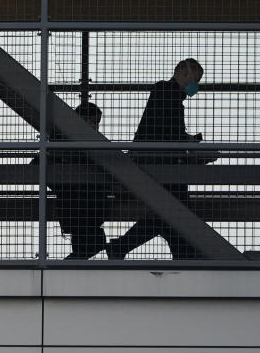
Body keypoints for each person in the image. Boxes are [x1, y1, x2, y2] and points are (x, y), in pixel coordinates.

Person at [106, 58, 208, 260]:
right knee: (175, 213)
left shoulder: (165, 94)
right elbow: (169, 134)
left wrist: (185, 141)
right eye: (193, 79)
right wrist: (188, 144)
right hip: (162, 167)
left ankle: (182, 255)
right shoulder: (167, 93)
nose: (194, 84)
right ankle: (185, 256)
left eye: (197, 80)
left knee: (168, 216)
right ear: (179, 73)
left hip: (158, 163)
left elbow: (163, 131)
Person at [49, 102, 110, 259]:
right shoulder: (66, 141)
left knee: (88, 246)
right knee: (93, 243)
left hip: (78, 205)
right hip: (82, 205)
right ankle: (61, 271)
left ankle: (62, 271)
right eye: (94, 122)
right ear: (84, 120)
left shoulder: (61, 139)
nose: (96, 127)